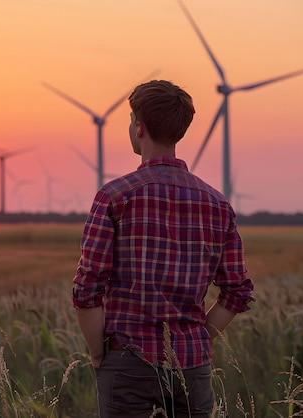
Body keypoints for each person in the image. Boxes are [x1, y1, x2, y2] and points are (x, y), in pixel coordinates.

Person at [71, 79, 255, 417]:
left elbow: (87, 287)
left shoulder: (114, 196)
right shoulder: (217, 204)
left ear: (139, 128)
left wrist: (100, 354)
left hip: (126, 359)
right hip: (192, 367)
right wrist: (198, 339)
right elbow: (237, 292)